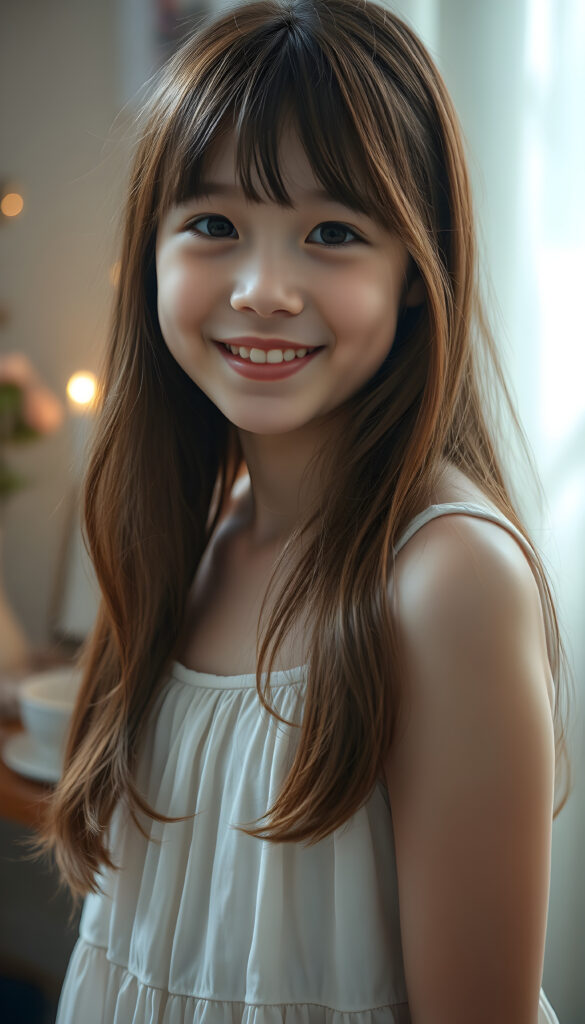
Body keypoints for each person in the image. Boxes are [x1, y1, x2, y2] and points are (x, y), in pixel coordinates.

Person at [33, 1, 571, 1020]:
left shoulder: (446, 581)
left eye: (331, 232)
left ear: (417, 271)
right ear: (152, 248)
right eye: (213, 226)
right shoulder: (194, 528)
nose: (264, 288)